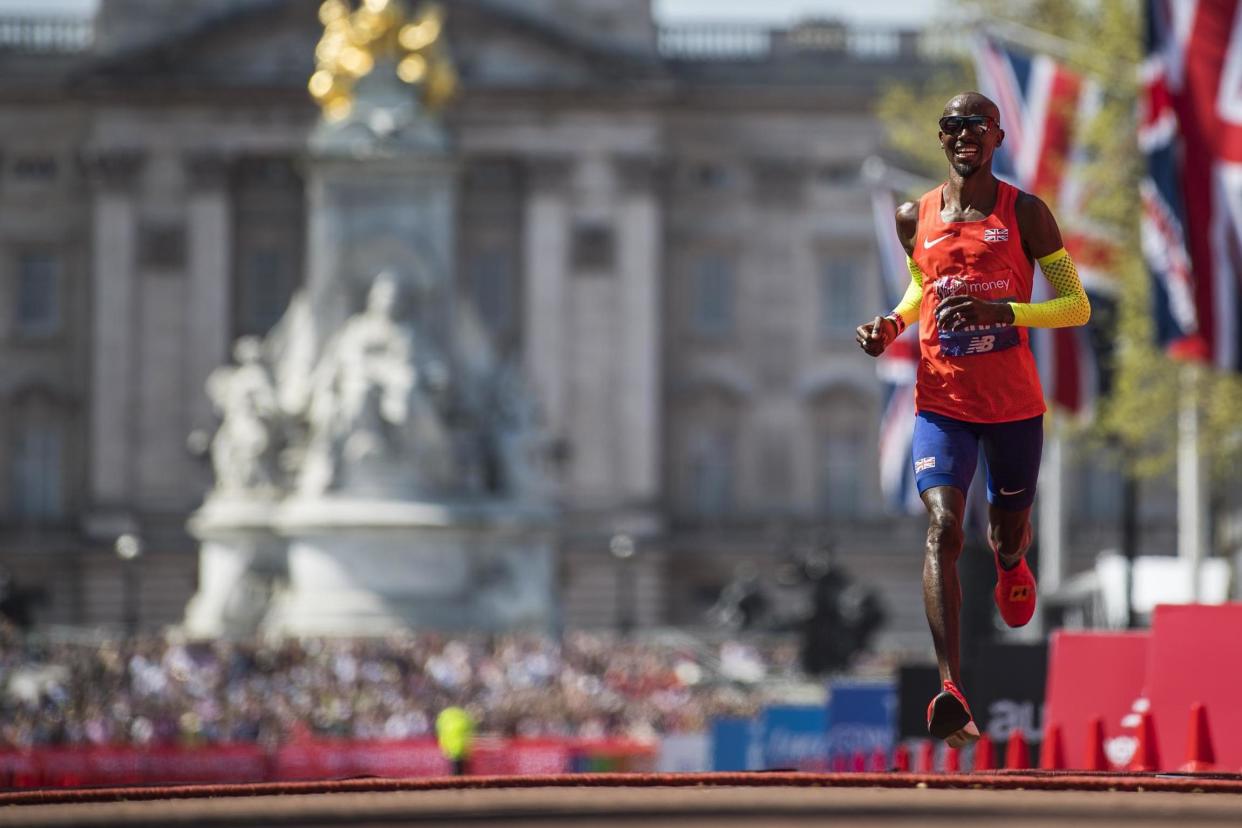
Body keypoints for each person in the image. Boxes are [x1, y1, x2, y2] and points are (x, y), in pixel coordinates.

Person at [855, 92, 1090, 747]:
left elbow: (1075, 306)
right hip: (942, 404)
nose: (965, 136)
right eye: (954, 126)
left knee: (1006, 532)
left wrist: (1005, 314)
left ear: (997, 137)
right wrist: (893, 323)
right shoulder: (915, 217)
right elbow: (918, 288)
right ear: (941, 137)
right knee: (942, 527)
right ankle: (950, 683)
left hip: (1012, 405)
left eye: (976, 127)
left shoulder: (1028, 214)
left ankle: (1013, 560)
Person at [435, 705, 475, 776]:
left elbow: (442, 735)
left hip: (454, 749)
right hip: (461, 749)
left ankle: (456, 781)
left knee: (457, 769)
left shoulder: (445, 718)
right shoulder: (463, 718)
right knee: (460, 769)